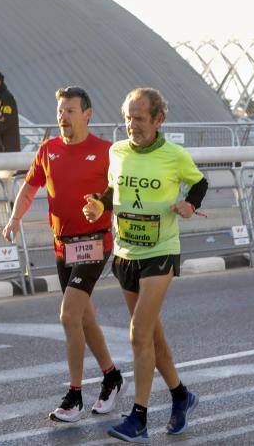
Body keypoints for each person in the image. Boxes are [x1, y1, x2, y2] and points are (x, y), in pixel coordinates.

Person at [83, 88, 208, 443]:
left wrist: (189, 205)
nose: (131, 125)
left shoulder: (174, 155)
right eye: (127, 118)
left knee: (138, 333)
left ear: (158, 120)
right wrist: (98, 205)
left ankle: (138, 419)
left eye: (139, 118)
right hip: (126, 254)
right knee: (153, 335)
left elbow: (200, 182)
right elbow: (112, 191)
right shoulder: (117, 151)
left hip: (161, 251)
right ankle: (182, 395)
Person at [2, 86, 123, 423]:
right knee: (85, 319)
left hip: (95, 242)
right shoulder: (48, 149)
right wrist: (14, 217)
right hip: (63, 245)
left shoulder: (105, 151)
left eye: (70, 110)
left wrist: (103, 200)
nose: (62, 117)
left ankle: (74, 395)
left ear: (87, 114)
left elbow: (120, 188)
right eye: (60, 111)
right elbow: (30, 186)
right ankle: (112, 377)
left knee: (69, 315)